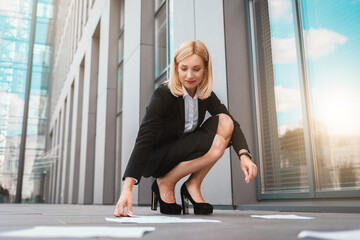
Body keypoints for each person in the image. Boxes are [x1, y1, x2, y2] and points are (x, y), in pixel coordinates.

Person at [113, 40, 257, 217]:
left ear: (205, 69)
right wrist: (128, 188)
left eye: (196, 69)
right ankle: (165, 182)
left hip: (185, 149)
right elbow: (145, 137)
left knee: (226, 123)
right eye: (184, 68)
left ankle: (192, 185)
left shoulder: (206, 94)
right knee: (218, 142)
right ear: (176, 68)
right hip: (161, 157)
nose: (190, 75)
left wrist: (244, 156)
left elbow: (233, 124)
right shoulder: (163, 94)